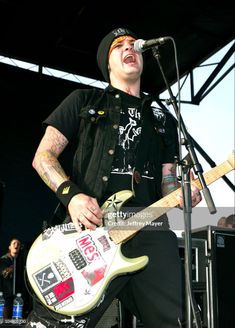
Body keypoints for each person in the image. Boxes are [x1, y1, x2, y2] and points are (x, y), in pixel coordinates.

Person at [25, 27, 202, 328]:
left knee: (169, 321)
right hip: (92, 228)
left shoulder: (163, 120)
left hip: (149, 229)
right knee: (60, 322)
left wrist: (185, 193)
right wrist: (72, 196)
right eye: (118, 46)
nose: (129, 48)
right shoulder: (85, 100)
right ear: (108, 63)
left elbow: (167, 183)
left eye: (134, 44)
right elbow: (43, 157)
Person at [0, 238, 21, 319]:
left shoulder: (20, 260)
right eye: (14, 243)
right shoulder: (4, 259)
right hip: (6, 296)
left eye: (18, 244)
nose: (16, 245)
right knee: (5, 319)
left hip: (18, 296)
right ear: (9, 247)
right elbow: (4, 273)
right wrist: (10, 269)